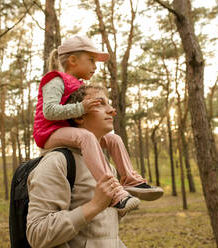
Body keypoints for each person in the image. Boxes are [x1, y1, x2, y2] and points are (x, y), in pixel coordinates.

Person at [33, 35, 163, 215]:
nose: (95, 66)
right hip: (49, 132)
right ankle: (115, 192)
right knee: (86, 137)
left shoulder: (79, 85)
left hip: (69, 130)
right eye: (91, 60)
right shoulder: (55, 80)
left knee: (113, 139)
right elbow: (49, 111)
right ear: (72, 60)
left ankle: (130, 179)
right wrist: (81, 107)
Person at [27, 85, 130, 247]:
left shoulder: (107, 166)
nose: (111, 110)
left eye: (108, 104)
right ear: (79, 116)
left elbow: (103, 233)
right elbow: (37, 234)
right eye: (100, 103)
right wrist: (95, 205)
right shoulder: (57, 161)